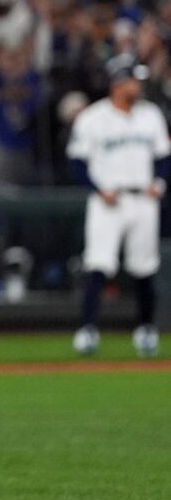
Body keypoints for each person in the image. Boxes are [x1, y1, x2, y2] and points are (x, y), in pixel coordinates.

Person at [67, 54, 169, 357]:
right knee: (98, 264)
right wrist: (97, 190)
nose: (138, 85)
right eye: (132, 80)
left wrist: (159, 184)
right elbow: (76, 162)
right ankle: (87, 330)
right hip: (107, 201)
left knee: (144, 267)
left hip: (143, 198)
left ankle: (147, 330)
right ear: (117, 83)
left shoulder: (150, 114)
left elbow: (163, 157)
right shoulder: (93, 118)